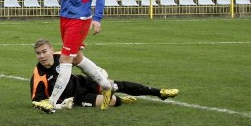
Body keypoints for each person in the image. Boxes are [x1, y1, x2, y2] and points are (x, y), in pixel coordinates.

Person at [30, 38, 178, 112]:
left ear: (51, 50)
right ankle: (122, 100)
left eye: (44, 51)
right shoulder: (38, 74)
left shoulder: (60, 56)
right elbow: (36, 102)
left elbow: (80, 59)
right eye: (38, 53)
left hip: (84, 83)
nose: (42, 56)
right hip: (77, 98)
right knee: (113, 101)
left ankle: (159, 92)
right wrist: (57, 105)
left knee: (115, 85)